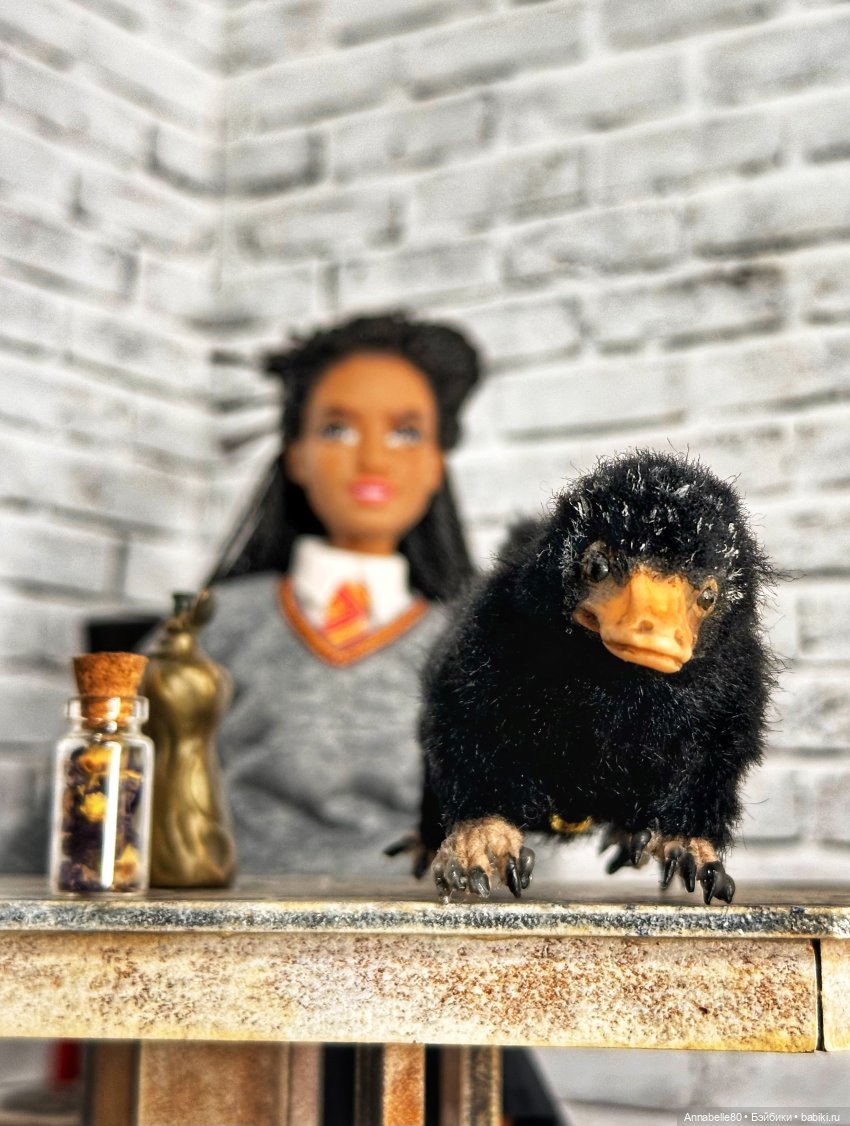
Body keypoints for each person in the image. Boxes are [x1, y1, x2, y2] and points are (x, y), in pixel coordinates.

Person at [200, 312, 479, 876]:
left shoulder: (472, 651)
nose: (372, 459)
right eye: (337, 429)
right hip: (231, 911)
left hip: (415, 920)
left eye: (405, 433)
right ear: (296, 454)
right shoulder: (216, 625)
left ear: (435, 465)